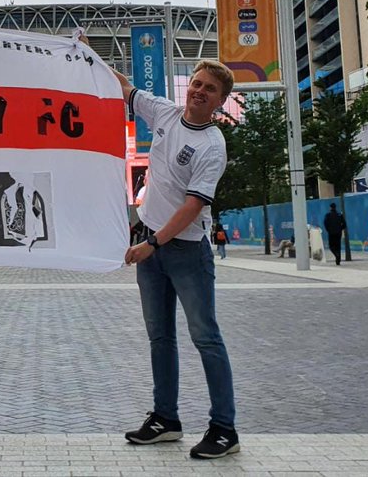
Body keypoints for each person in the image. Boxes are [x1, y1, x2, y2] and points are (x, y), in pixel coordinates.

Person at [112, 60, 240, 459]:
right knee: (160, 337)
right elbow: (126, 88)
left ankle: (224, 429)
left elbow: (192, 205)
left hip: (185, 250)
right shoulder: (165, 112)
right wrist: (85, 55)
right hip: (153, 247)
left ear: (220, 101)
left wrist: (153, 242)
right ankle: (165, 419)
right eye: (197, 84)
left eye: (210, 89)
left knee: (205, 338)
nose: (200, 91)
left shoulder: (212, 145)